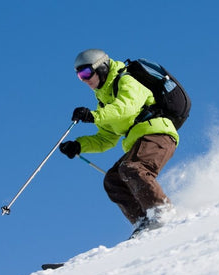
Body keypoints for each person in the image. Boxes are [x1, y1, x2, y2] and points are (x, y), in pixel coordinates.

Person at [59, 49, 178, 238]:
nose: (85, 79)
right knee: (113, 180)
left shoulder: (127, 81)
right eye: (80, 76)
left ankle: (161, 211)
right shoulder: (104, 102)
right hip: (140, 139)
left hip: (158, 133)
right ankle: (143, 222)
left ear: (102, 67)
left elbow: (125, 108)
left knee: (132, 168)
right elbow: (106, 138)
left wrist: (94, 116)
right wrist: (80, 145)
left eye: (87, 73)